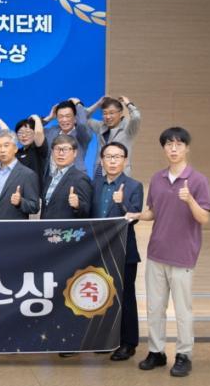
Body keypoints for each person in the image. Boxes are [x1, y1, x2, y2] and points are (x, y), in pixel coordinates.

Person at [127, 127, 210, 377]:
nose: (174, 149)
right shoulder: (157, 178)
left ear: (187, 148)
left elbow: (204, 218)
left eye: (179, 144)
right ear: (164, 148)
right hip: (156, 253)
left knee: (183, 310)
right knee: (155, 308)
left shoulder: (198, 180)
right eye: (169, 144)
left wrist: (190, 200)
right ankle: (156, 352)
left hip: (183, 255)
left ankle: (184, 354)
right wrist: (137, 215)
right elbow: (154, 212)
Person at [91, 142, 143, 362]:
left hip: (124, 251)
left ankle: (128, 343)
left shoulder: (134, 186)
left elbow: (134, 218)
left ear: (125, 160)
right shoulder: (94, 184)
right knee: (103, 295)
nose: (112, 161)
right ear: (102, 160)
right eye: (108, 157)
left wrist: (122, 205)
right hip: (98, 251)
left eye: (117, 157)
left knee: (126, 297)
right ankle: (108, 340)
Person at [0, 130, 40, 220]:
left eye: (6, 145)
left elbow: (34, 207)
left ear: (15, 148)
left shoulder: (28, 174)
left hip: (15, 228)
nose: (2, 150)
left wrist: (20, 202)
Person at [86, 96, 141, 177]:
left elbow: (136, 117)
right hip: (99, 173)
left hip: (120, 175)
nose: (108, 117)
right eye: (105, 113)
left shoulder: (128, 128)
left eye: (111, 113)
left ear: (120, 113)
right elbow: (82, 118)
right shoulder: (100, 126)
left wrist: (128, 104)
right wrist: (98, 104)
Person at [40, 135, 92, 219]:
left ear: (75, 153)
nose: (61, 153)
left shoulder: (81, 179)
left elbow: (87, 212)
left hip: (66, 227)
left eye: (65, 149)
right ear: (52, 152)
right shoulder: (50, 177)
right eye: (57, 149)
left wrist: (78, 205)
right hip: (46, 226)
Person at [44, 99, 92, 175]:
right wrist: (49, 117)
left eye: (68, 116)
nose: (64, 120)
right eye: (60, 116)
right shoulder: (52, 131)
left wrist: (78, 104)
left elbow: (82, 124)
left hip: (75, 177)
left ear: (75, 118)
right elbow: (32, 130)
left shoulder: (81, 134)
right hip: (52, 178)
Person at [15, 115, 48, 191]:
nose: (24, 135)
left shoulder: (38, 148)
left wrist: (36, 118)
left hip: (36, 192)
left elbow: (39, 132)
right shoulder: (17, 152)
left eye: (28, 132)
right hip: (19, 192)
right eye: (20, 133)